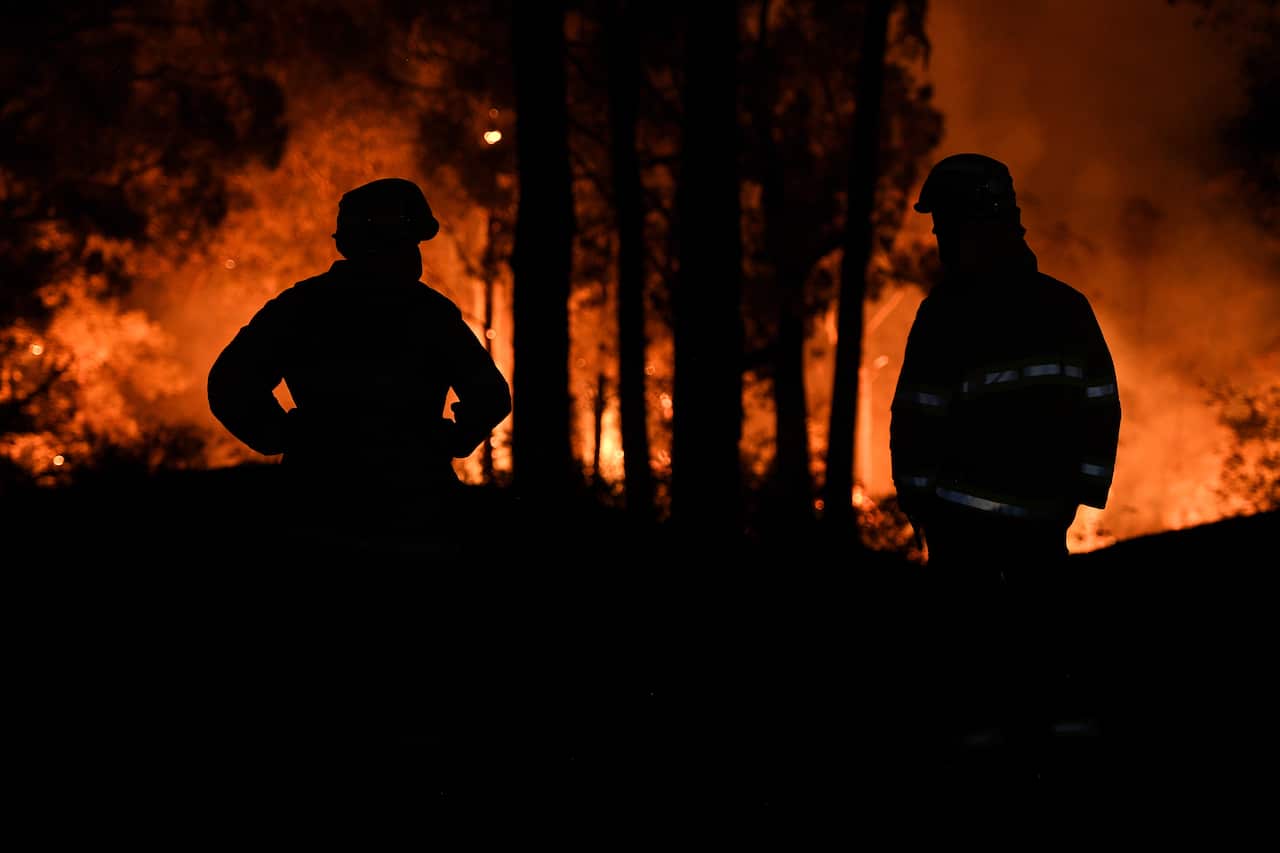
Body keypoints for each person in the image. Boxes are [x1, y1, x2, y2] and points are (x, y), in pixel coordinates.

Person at [889, 153, 1121, 780]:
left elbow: (918, 416)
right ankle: (1065, 758)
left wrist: (918, 501)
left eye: (943, 224)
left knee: (972, 646)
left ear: (973, 222)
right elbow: (1101, 403)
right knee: (1048, 631)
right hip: (1045, 516)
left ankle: (985, 770)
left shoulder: (947, 314)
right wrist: (1081, 491)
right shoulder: (1067, 307)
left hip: (962, 521)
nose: (938, 239)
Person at [207, 177, 512, 551]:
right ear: (396, 243)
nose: (415, 254)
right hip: (415, 511)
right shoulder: (430, 314)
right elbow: (490, 397)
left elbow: (230, 383)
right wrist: (448, 441)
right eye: (411, 242)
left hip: (317, 503)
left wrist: (286, 437)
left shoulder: (300, 307)